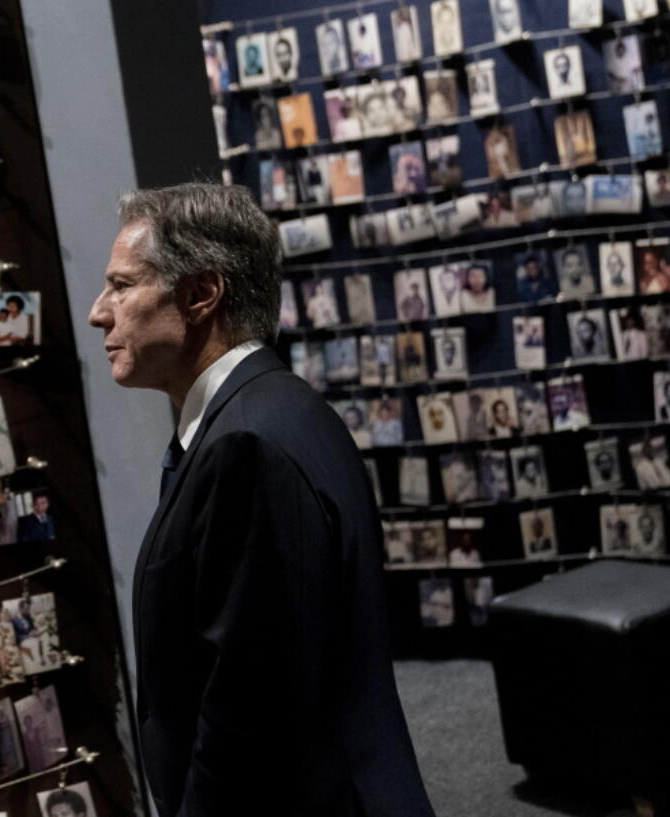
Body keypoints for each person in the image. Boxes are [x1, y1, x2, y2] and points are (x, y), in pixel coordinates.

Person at [87, 184, 433, 816]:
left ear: (200, 295)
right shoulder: (275, 408)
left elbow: (246, 715)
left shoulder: (246, 443)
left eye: (121, 285)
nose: (98, 312)